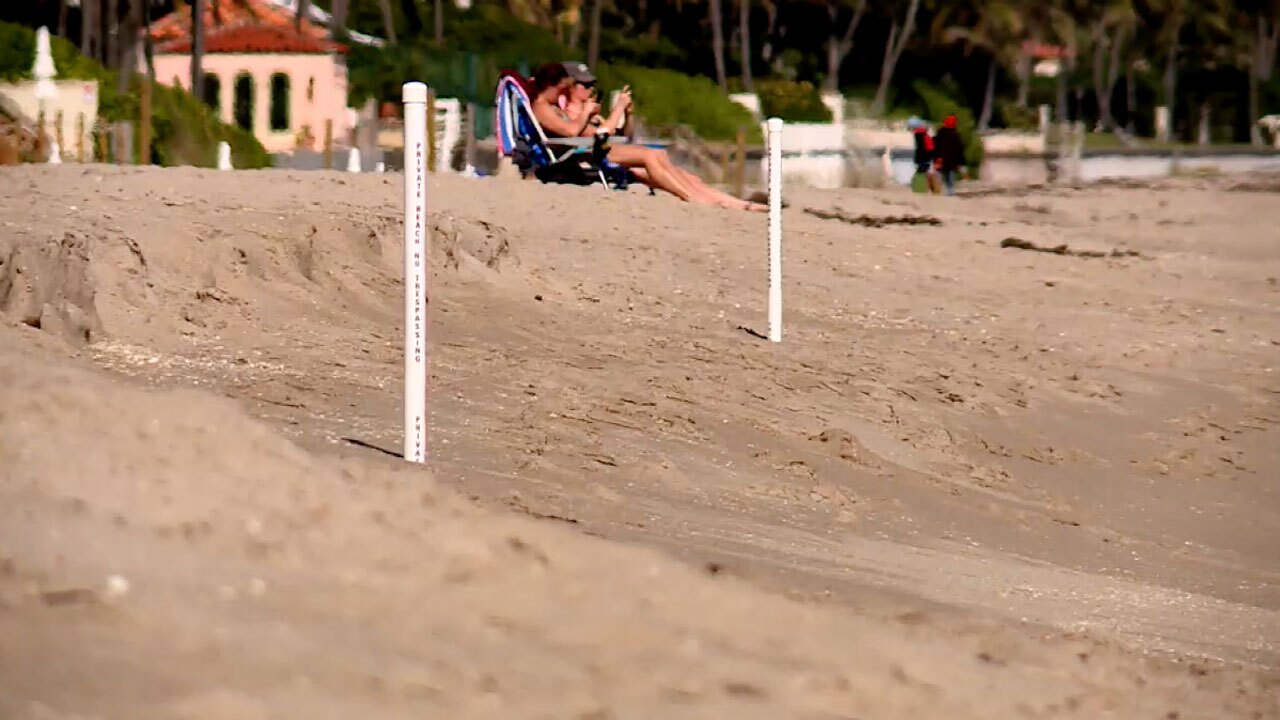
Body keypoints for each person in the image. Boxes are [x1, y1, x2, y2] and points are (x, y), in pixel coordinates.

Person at [529, 62, 765, 211]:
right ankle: (696, 199)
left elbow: (618, 134)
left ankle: (733, 203)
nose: (589, 88)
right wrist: (614, 111)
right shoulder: (546, 107)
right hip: (588, 155)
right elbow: (584, 133)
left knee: (678, 169)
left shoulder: (565, 108)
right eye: (583, 85)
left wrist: (625, 115)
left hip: (596, 150)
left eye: (591, 84)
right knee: (653, 157)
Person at [932, 114, 966, 197]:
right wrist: (961, 162)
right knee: (950, 178)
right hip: (951, 161)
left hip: (941, 160)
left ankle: (941, 192)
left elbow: (935, 146)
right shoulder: (955, 134)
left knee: (942, 177)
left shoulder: (940, 133)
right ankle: (950, 193)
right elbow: (959, 149)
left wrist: (935, 158)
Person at [908, 116, 940, 195]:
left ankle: (921, 190)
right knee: (928, 175)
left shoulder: (918, 136)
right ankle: (932, 190)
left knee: (921, 175)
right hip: (927, 159)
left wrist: (917, 159)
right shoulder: (926, 137)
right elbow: (930, 149)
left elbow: (920, 150)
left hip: (922, 160)